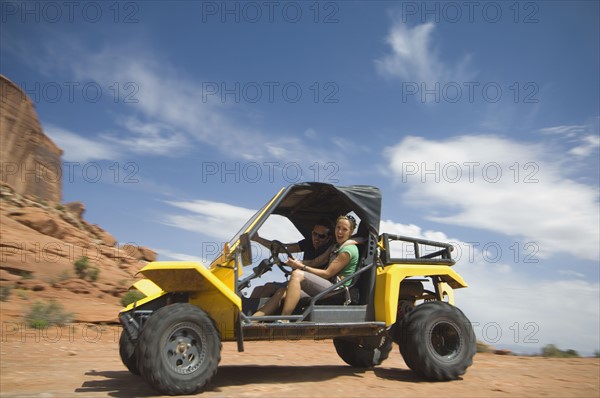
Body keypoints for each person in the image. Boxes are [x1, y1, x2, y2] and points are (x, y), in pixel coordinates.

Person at [253, 214, 359, 317]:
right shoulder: (335, 247)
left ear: (351, 232)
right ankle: (253, 320)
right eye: (338, 227)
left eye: (344, 229)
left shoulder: (347, 250)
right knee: (282, 291)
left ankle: (284, 319)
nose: (340, 232)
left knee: (297, 274)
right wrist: (295, 263)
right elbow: (314, 262)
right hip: (325, 286)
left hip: (337, 291)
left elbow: (327, 274)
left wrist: (301, 267)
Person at [249, 219, 333, 298]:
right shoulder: (308, 243)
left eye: (321, 236)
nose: (316, 238)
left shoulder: (330, 248)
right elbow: (283, 249)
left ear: (328, 238)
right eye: (314, 234)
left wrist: (297, 264)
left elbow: (315, 262)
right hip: (297, 281)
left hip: (312, 286)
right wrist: (257, 239)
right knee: (259, 289)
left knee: (270, 288)